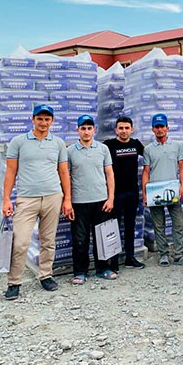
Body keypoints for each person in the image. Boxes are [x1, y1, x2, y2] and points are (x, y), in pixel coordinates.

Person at [2, 104, 72, 300]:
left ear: (52, 121)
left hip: (53, 197)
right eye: (39, 118)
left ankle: (46, 275)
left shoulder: (58, 143)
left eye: (47, 119)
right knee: (20, 242)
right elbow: (10, 171)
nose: (43, 122)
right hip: (27, 199)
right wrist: (6, 199)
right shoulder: (18, 142)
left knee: (48, 241)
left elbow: (63, 172)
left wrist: (67, 199)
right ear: (32, 119)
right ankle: (14, 282)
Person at [66, 114, 116, 284]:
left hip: (101, 200)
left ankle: (103, 268)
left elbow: (109, 174)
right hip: (79, 201)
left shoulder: (103, 149)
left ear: (94, 130)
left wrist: (110, 198)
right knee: (80, 239)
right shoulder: (70, 151)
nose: (86, 132)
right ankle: (80, 272)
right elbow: (66, 177)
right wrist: (67, 201)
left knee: (102, 237)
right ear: (77, 130)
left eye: (89, 128)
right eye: (83, 128)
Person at [142, 113, 183, 267]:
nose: (160, 129)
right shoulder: (148, 149)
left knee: (178, 224)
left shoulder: (176, 146)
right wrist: (145, 193)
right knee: (159, 225)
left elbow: (182, 167)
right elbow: (146, 172)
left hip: (173, 190)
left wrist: (182, 186)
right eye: (157, 127)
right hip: (155, 192)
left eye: (162, 126)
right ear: (153, 129)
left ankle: (178, 255)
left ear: (167, 128)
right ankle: (163, 254)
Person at [104, 116, 146, 270]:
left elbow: (150, 159)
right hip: (115, 193)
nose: (123, 131)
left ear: (131, 129)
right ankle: (113, 261)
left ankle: (130, 258)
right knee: (113, 227)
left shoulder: (136, 144)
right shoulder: (109, 145)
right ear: (116, 129)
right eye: (120, 128)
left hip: (132, 193)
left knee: (130, 226)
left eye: (126, 128)